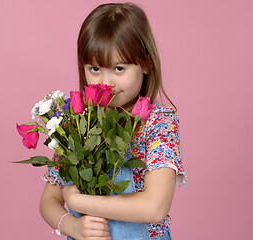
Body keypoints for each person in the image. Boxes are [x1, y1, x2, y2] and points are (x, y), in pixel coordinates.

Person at [40, 3, 187, 240]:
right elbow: (49, 200)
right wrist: (71, 226)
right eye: (95, 68)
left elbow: (155, 207)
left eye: (119, 68)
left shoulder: (158, 123)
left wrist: (79, 201)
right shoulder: (78, 125)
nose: (106, 81)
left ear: (147, 64)